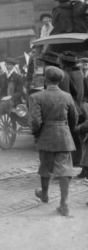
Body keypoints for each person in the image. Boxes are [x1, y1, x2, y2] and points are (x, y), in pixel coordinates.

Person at [30, 67, 78, 216]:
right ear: (60, 80)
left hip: (46, 136)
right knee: (65, 170)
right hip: (64, 137)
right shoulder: (67, 96)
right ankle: (64, 204)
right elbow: (74, 118)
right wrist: (66, 130)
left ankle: (44, 195)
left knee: (45, 167)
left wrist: (37, 134)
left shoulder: (36, 97)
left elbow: (35, 122)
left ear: (45, 79)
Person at [0, 58, 24, 122]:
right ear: (5, 65)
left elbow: (20, 92)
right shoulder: (1, 76)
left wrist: (9, 97)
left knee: (3, 104)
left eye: (10, 65)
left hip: (13, 100)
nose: (8, 67)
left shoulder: (18, 77)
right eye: (7, 65)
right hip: (2, 97)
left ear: (13, 66)